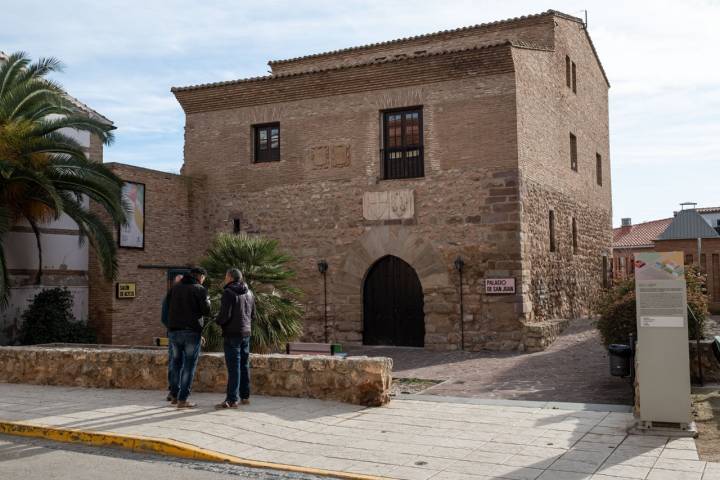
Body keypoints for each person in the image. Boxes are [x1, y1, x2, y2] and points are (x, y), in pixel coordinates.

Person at [167, 267, 211, 408]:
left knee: (175, 363)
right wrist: (208, 301)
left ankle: (174, 395)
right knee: (189, 366)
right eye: (204, 278)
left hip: (174, 331)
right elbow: (206, 310)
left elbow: (167, 307)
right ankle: (183, 399)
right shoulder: (199, 289)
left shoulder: (175, 288)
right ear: (200, 276)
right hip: (191, 332)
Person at [215, 268, 255, 409]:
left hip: (232, 334)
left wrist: (217, 321)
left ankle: (232, 399)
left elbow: (224, 315)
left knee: (234, 368)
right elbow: (253, 314)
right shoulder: (250, 293)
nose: (225, 279)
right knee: (243, 365)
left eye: (226, 277)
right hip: (246, 334)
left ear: (230, 277)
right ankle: (245, 396)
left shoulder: (228, 292)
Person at [161, 274, 183, 402]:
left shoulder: (171, 296)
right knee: (176, 362)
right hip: (177, 333)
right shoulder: (169, 296)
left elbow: (164, 317)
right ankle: (174, 389)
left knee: (176, 362)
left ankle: (177, 390)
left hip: (176, 333)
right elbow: (164, 317)